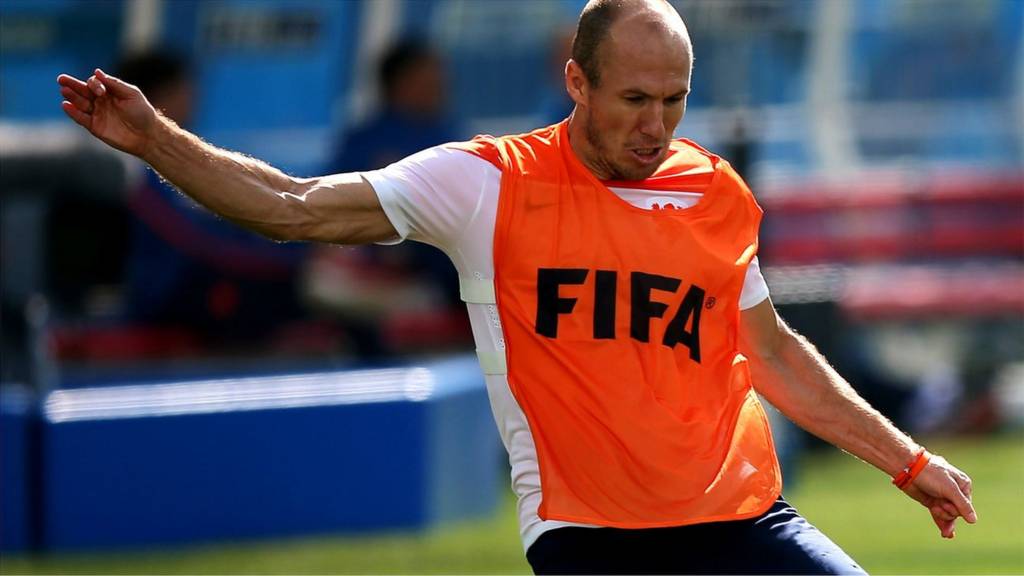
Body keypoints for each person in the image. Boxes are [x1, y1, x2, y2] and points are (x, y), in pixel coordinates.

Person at [57, 0, 976, 573]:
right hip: (591, 541)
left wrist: (909, 460)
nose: (657, 126)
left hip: (743, 522)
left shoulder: (714, 190)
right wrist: (156, 141)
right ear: (576, 81)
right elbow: (294, 206)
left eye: (674, 99)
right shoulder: (485, 183)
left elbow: (770, 352)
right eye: (632, 100)